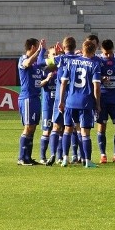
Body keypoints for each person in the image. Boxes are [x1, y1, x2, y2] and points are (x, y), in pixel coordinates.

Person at [58, 39, 101, 168]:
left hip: (70, 101)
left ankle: (65, 159)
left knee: (67, 129)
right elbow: (96, 88)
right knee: (85, 132)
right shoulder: (94, 65)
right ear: (94, 51)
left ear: (82, 49)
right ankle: (87, 161)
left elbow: (63, 83)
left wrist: (61, 101)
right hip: (85, 102)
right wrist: (98, 103)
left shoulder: (71, 62)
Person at [36, 37, 79, 166]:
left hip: (60, 99)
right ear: (74, 46)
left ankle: (53, 154)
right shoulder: (80, 59)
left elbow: (39, 62)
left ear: (64, 47)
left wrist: (43, 49)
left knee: (56, 127)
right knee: (73, 128)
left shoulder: (59, 59)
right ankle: (73, 157)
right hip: (74, 98)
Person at [96, 39, 115, 164]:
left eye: (110, 53)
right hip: (102, 98)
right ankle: (103, 155)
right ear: (101, 50)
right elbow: (92, 76)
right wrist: (101, 78)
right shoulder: (97, 60)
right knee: (101, 126)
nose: (108, 55)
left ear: (113, 49)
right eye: (106, 53)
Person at [17, 38, 44, 165]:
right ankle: (21, 158)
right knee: (28, 127)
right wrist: (38, 52)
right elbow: (27, 64)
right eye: (38, 47)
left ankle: (28, 157)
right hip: (27, 98)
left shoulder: (37, 63)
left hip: (36, 98)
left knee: (33, 127)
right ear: (33, 47)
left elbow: (49, 66)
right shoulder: (23, 59)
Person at [38, 50, 56, 164]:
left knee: (60, 130)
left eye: (56, 54)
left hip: (59, 105)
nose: (55, 57)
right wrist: (47, 79)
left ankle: (58, 156)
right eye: (53, 55)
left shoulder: (61, 69)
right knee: (47, 131)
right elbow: (38, 84)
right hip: (48, 105)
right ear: (48, 56)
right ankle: (42, 157)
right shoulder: (44, 70)